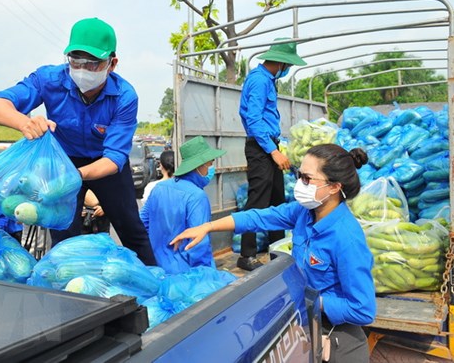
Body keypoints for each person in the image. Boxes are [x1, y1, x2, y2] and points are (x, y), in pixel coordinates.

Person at [170, 144, 376, 362]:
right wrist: (208, 227)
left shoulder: (347, 238)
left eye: (307, 179)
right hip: (309, 323)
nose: (299, 184)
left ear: (334, 187)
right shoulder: (305, 212)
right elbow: (259, 217)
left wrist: (311, 298)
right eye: (298, 175)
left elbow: (362, 309)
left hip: (337, 338)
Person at [0, 17, 156, 265]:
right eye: (75, 60)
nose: (83, 69)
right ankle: (70, 291)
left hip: (104, 166)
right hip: (62, 161)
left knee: (131, 229)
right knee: (63, 234)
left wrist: (75, 174)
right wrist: (24, 122)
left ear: (112, 63)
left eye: (93, 63)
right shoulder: (49, 80)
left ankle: (152, 284)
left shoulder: (124, 96)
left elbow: (115, 158)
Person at [237, 37, 307, 271]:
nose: (288, 70)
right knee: (257, 200)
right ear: (282, 64)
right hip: (260, 148)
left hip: (268, 145)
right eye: (289, 66)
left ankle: (278, 250)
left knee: (276, 200)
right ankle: (247, 255)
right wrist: (273, 152)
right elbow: (254, 120)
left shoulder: (267, 80)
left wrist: (277, 148)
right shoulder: (259, 81)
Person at [140, 136, 226, 274]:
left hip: (156, 269)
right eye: (210, 164)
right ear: (199, 166)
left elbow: (142, 223)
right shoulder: (197, 196)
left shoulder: (159, 188)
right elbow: (199, 245)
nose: (211, 169)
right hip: (185, 274)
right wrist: (206, 276)